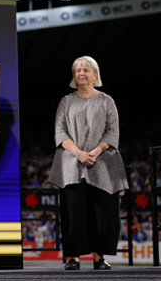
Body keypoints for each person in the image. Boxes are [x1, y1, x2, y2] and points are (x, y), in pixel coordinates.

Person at [49, 56, 129, 270]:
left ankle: (99, 257)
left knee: (102, 212)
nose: (81, 74)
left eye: (86, 70)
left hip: (102, 163)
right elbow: (59, 131)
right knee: (73, 212)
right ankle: (73, 258)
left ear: (95, 75)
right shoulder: (66, 101)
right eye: (77, 70)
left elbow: (113, 131)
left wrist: (94, 152)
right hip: (71, 165)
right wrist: (78, 153)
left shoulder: (106, 101)